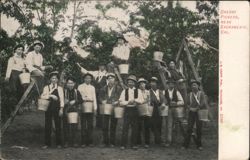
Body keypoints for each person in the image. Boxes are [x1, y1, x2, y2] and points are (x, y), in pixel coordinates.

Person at [78, 62, 107, 128]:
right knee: (92, 108)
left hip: (102, 94)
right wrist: (80, 67)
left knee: (102, 110)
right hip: (94, 93)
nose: (101, 67)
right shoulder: (95, 73)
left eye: (102, 66)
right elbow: (86, 72)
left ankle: (100, 125)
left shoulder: (107, 74)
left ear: (104, 67)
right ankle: (95, 125)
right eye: (100, 65)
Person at [40, 71, 64, 149]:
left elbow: (62, 99)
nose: (54, 80)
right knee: (48, 125)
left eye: (55, 78)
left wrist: (61, 109)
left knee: (58, 125)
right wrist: (51, 95)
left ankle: (59, 143)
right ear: (50, 79)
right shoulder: (46, 87)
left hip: (57, 108)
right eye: (52, 78)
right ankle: (47, 143)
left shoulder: (60, 88)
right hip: (48, 108)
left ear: (57, 80)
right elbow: (42, 97)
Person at [99, 73, 122, 147]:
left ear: (114, 80)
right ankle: (105, 142)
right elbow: (99, 97)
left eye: (112, 78)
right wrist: (102, 101)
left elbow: (121, 98)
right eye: (109, 78)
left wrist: (117, 101)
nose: (110, 80)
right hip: (105, 108)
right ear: (107, 80)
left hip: (114, 108)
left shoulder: (118, 88)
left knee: (113, 126)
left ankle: (112, 142)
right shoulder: (103, 88)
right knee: (105, 126)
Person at [183, 80, 207, 150]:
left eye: (195, 85)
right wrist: (190, 108)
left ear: (198, 86)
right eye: (192, 85)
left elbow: (203, 102)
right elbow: (186, 103)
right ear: (191, 87)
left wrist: (197, 108)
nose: (193, 86)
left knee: (199, 129)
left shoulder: (201, 94)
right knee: (189, 128)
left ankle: (199, 145)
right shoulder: (189, 94)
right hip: (191, 112)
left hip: (199, 112)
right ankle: (185, 145)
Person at [119, 75, 139, 150]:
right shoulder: (124, 91)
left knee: (135, 128)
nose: (130, 83)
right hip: (127, 110)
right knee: (125, 127)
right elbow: (120, 101)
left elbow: (141, 100)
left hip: (135, 110)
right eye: (129, 82)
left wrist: (135, 101)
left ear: (134, 83)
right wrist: (127, 102)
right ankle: (123, 144)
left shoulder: (138, 91)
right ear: (127, 83)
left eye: (132, 82)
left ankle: (133, 144)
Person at [78, 73, 97, 147]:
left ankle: (90, 141)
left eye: (89, 78)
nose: (88, 79)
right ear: (84, 79)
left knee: (90, 125)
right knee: (83, 125)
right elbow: (79, 97)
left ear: (91, 79)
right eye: (86, 78)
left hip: (90, 106)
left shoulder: (92, 87)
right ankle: (83, 142)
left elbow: (94, 98)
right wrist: (83, 99)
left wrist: (95, 108)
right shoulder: (80, 86)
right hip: (83, 106)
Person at [63, 76, 83, 148]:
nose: (70, 84)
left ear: (74, 84)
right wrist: (64, 102)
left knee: (74, 126)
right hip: (66, 111)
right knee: (66, 127)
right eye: (68, 83)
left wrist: (75, 101)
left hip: (74, 111)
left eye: (71, 83)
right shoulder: (64, 91)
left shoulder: (77, 91)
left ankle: (74, 142)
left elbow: (81, 100)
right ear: (66, 84)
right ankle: (66, 142)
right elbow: (60, 100)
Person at [164, 79, 185, 147]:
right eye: (169, 84)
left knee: (177, 125)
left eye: (172, 84)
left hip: (176, 110)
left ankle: (176, 141)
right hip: (168, 110)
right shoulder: (165, 92)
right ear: (167, 85)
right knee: (169, 125)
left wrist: (176, 103)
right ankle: (169, 141)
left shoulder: (177, 92)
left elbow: (182, 102)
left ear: (174, 85)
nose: (171, 85)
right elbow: (162, 101)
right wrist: (164, 104)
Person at [149, 77, 166, 145]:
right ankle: (156, 139)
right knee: (153, 124)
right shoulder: (149, 91)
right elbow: (149, 99)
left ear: (157, 83)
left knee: (159, 124)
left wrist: (163, 103)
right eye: (151, 82)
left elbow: (164, 99)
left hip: (159, 108)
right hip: (152, 108)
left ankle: (158, 140)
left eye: (154, 82)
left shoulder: (160, 91)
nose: (152, 84)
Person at [136, 78, 151, 148]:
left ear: (145, 84)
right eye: (140, 84)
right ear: (138, 85)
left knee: (147, 126)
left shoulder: (148, 92)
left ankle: (147, 143)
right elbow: (136, 100)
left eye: (143, 83)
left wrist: (147, 102)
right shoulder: (136, 91)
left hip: (147, 110)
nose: (142, 85)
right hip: (138, 110)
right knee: (138, 127)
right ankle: (138, 142)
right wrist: (142, 101)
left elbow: (149, 100)